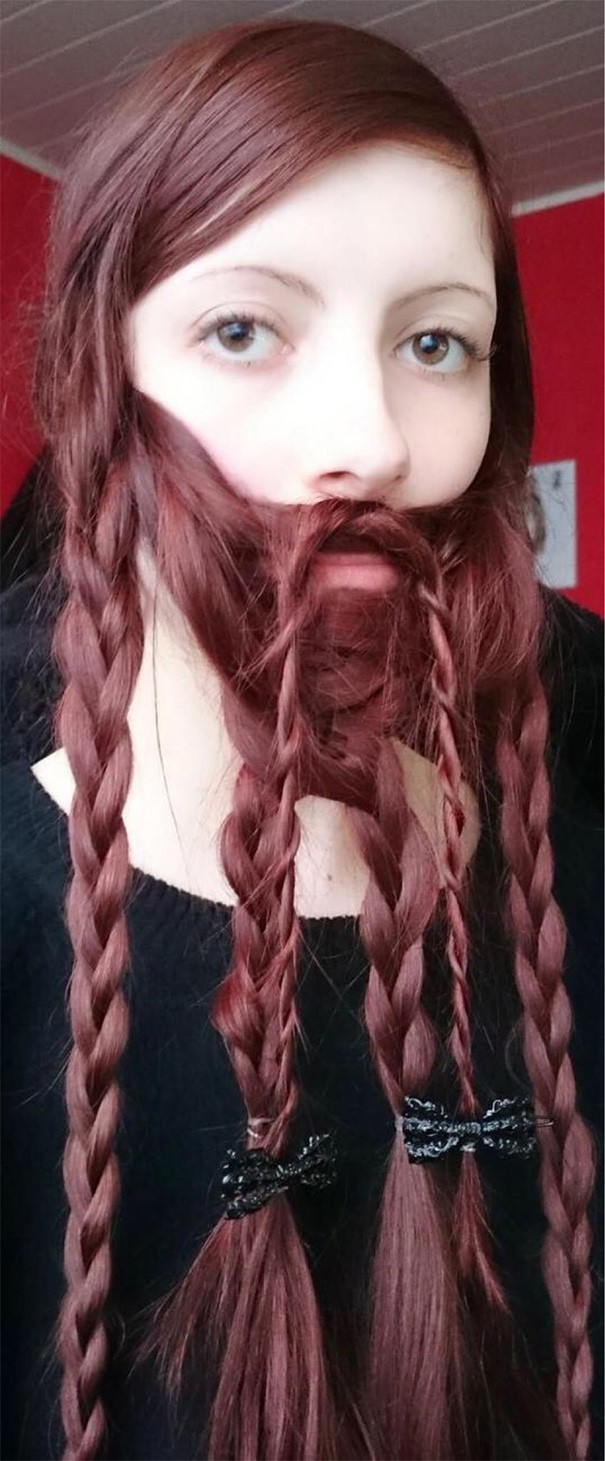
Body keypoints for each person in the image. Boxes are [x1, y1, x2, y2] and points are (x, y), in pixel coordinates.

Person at [1, 17, 602, 1461]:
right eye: (242, 330)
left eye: (435, 343)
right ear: (96, 376)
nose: (374, 440)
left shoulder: (563, 845)